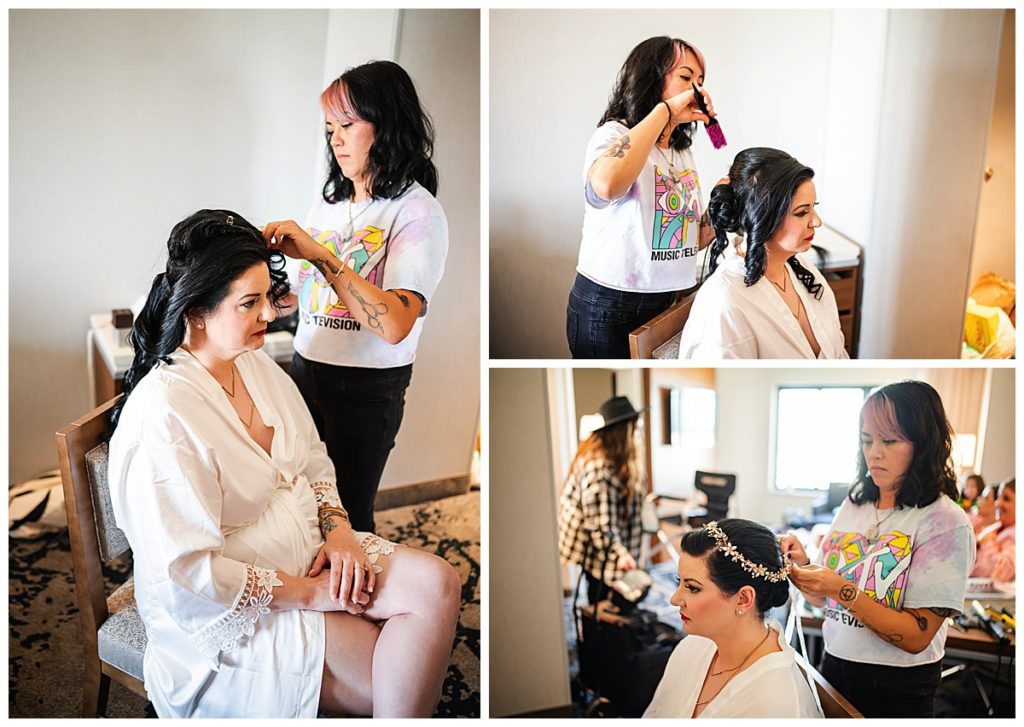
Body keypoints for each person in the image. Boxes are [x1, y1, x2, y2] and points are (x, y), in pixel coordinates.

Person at [107, 210, 461, 718]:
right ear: (196, 312)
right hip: (232, 610)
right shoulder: (162, 416)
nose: (270, 316)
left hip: (312, 547)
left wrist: (339, 532)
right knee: (388, 682)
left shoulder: (254, 366)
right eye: (249, 303)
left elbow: (313, 460)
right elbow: (188, 571)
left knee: (440, 583)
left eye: (266, 298)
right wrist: (312, 595)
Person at [264, 60, 448, 533]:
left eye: (348, 125)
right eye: (330, 128)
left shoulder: (417, 212)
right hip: (306, 370)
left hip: (366, 390)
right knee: (303, 504)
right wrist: (260, 294)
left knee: (348, 515)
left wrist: (321, 255)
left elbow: (394, 324)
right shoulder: (329, 202)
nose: (336, 139)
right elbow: (311, 301)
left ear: (386, 126)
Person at [781, 381, 975, 718]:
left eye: (889, 441)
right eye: (867, 440)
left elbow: (916, 636)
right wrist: (806, 567)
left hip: (896, 686)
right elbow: (824, 599)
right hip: (835, 663)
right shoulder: (854, 505)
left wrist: (840, 589)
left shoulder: (944, 521)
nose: (874, 453)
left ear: (922, 444)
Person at [567, 36, 718, 359]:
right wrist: (664, 112)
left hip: (664, 302)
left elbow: (693, 236)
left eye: (701, 82)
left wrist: (725, 200)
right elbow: (605, 186)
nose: (697, 90)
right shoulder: (613, 135)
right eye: (686, 78)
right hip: (609, 306)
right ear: (651, 77)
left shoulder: (682, 151)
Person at [677, 147, 848, 359]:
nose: (817, 221)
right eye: (802, 212)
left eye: (814, 207)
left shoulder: (802, 268)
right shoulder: (725, 302)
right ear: (761, 217)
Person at [645, 519, 820, 718]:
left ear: (743, 599)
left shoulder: (775, 704)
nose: (674, 599)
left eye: (692, 587)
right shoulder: (692, 646)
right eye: (680, 582)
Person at [558, 396, 645, 604]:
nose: (638, 433)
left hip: (609, 548)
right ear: (623, 432)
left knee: (607, 601)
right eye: (634, 428)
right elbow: (600, 525)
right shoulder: (599, 469)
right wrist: (620, 555)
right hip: (601, 552)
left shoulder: (615, 461)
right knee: (602, 602)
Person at [971, 478, 1015, 582]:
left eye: (1006, 499)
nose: (998, 503)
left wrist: (986, 543)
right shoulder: (997, 528)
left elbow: (998, 572)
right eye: (998, 497)